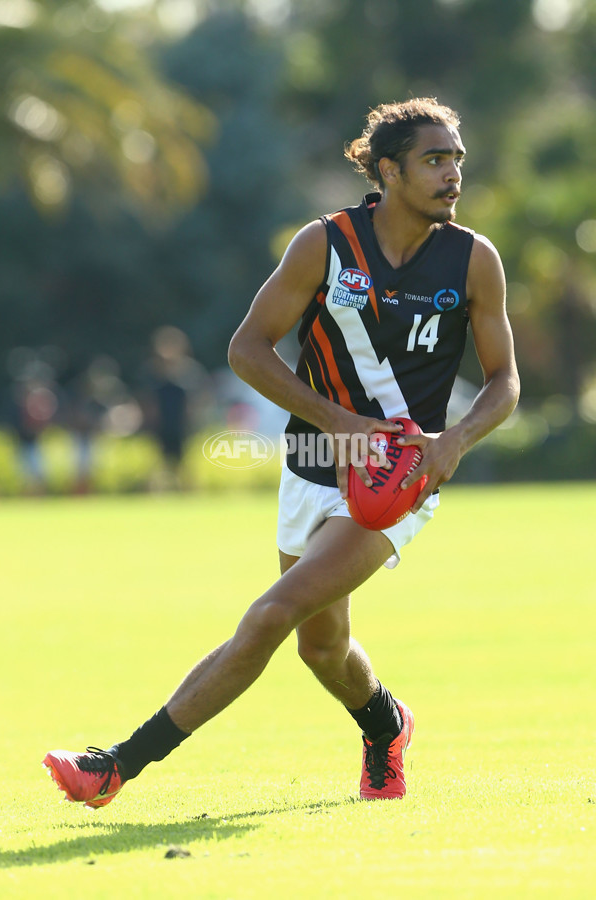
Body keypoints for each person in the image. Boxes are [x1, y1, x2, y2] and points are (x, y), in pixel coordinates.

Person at [43, 97, 520, 807]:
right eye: (434, 159)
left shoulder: (474, 259)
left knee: (271, 615)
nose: (453, 173)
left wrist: (452, 443)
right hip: (309, 470)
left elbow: (505, 379)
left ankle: (114, 765)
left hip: (397, 480)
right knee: (320, 646)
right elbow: (246, 349)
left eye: (456, 159)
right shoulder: (325, 244)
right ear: (389, 170)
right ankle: (386, 726)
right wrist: (336, 422)